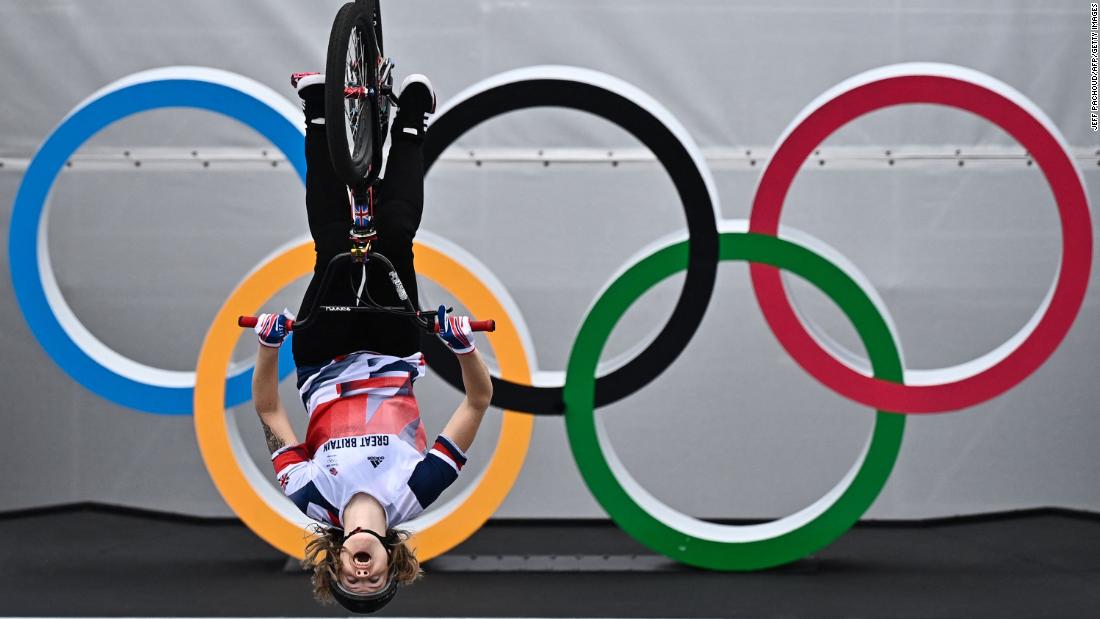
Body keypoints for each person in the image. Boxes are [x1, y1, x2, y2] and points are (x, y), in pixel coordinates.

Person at [249, 71, 493, 614]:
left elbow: (268, 408)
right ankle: (412, 117)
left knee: (333, 239)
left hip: (322, 356)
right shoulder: (417, 491)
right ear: (390, 564)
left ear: (333, 563)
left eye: (349, 582)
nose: (361, 576)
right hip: (391, 350)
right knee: (394, 232)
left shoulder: (310, 496)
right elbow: (478, 401)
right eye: (372, 582)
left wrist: (268, 345)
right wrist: (463, 349)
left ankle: (316, 103)